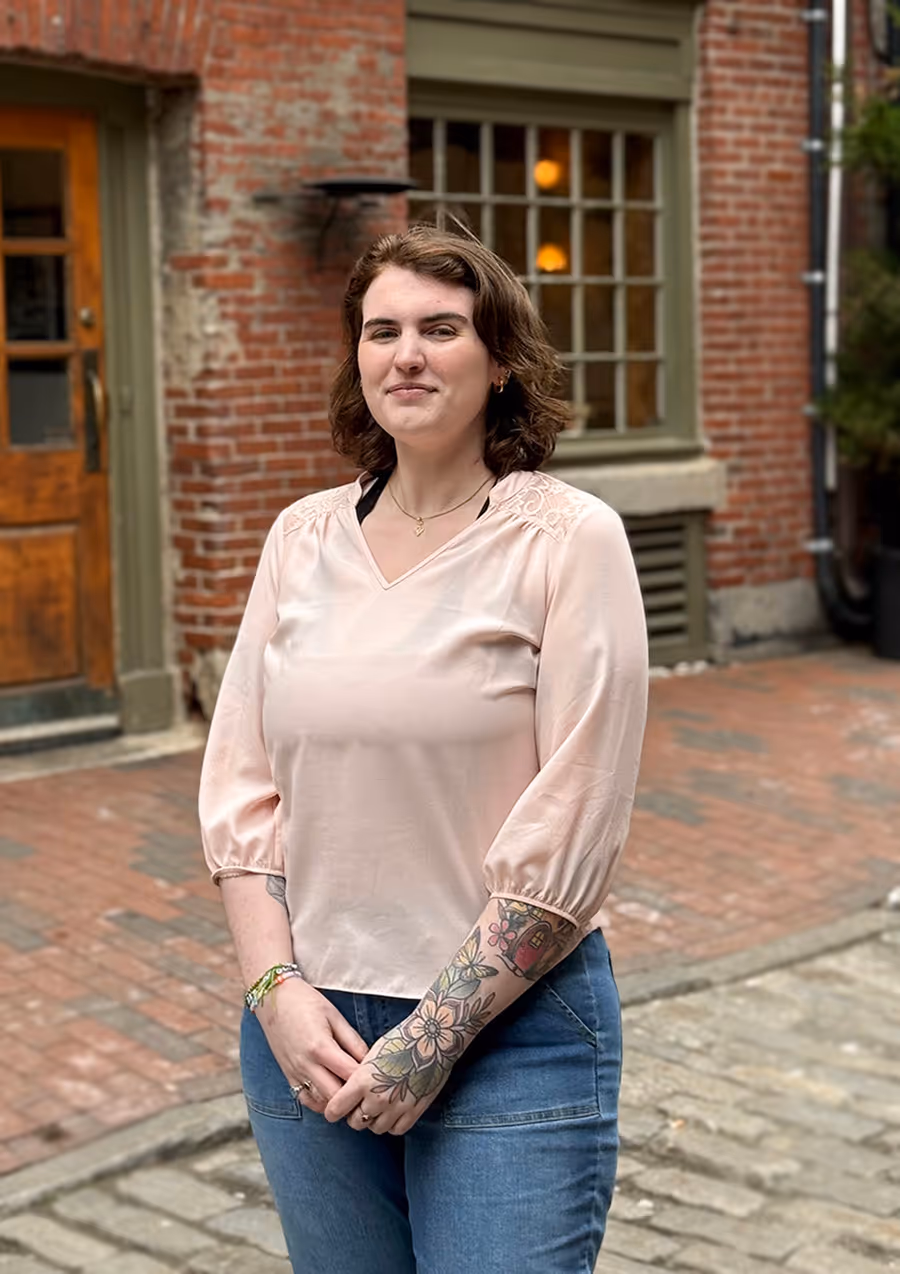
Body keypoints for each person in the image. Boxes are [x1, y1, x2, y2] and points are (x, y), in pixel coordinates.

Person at [198, 224, 649, 1273]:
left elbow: (577, 820)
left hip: (511, 1031)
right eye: (382, 329)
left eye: (442, 329)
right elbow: (241, 789)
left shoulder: (567, 539)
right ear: (358, 361)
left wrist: (433, 1037)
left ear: (499, 363)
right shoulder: (300, 537)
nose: (407, 353)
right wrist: (276, 990)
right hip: (308, 1027)